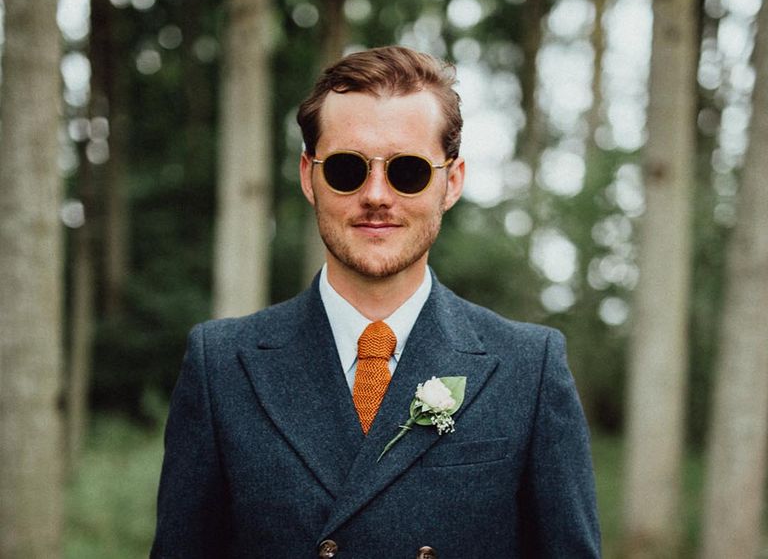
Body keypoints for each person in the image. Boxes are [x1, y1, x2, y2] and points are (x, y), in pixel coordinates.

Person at [151, 46, 601, 558]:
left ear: (450, 182)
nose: (377, 195)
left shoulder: (530, 367)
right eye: (348, 168)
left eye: (408, 171)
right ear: (308, 176)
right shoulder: (222, 364)